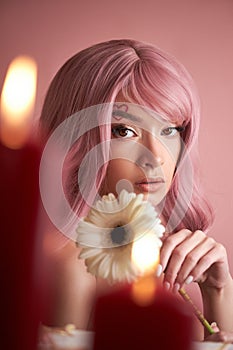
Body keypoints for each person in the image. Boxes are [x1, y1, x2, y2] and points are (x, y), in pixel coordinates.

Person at [39, 39, 233, 341]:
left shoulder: (172, 250)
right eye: (124, 130)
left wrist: (219, 291)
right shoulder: (71, 268)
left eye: (170, 130)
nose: (155, 156)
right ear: (76, 137)